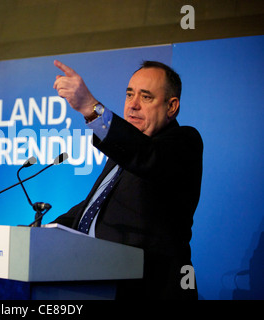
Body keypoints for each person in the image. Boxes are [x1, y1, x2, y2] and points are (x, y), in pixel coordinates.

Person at [52, 59, 203, 300]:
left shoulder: (184, 142)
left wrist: (92, 109)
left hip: (150, 290)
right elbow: (93, 208)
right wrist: (40, 232)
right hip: (97, 283)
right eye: (129, 94)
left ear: (171, 107)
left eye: (146, 97)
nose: (132, 106)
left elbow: (145, 156)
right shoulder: (123, 154)